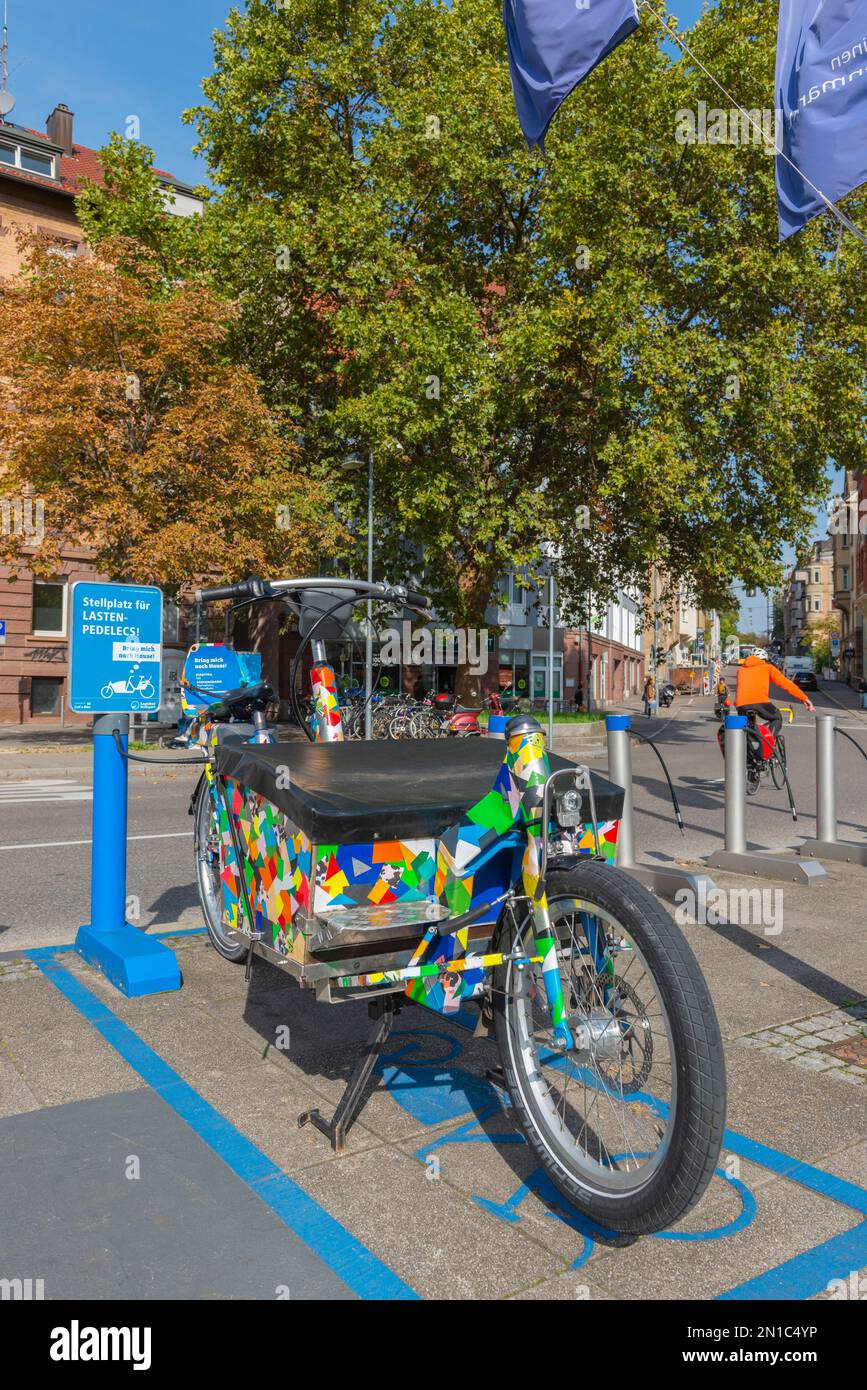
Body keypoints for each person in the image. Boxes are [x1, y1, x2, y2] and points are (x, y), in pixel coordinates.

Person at [734, 654, 814, 738]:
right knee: (777, 718)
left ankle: (747, 746)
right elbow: (785, 683)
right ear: (762, 660)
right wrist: (804, 698)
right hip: (760, 702)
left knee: (747, 729)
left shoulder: (740, 670)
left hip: (741, 705)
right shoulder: (767, 667)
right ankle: (769, 743)